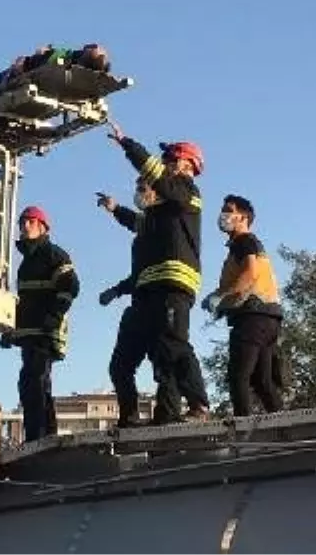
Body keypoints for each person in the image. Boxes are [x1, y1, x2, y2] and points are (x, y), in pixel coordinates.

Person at [104, 121, 210, 423]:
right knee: (125, 361)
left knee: (172, 348)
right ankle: (134, 417)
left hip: (173, 286)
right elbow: (137, 222)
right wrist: (114, 209)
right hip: (146, 293)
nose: (164, 163)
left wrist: (129, 145)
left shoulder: (188, 192)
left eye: (169, 158)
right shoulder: (157, 215)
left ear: (186, 163)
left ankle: (198, 405)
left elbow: (161, 181)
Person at [0, 206, 80, 441]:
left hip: (46, 333)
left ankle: (39, 437)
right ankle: (42, 434)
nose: (25, 226)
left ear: (43, 227)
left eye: (30, 222)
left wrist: (53, 318)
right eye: (22, 222)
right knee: (32, 385)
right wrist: (9, 331)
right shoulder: (26, 264)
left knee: (35, 382)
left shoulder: (54, 255)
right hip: (30, 335)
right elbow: (24, 304)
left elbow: (70, 286)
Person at [201, 195, 285, 417]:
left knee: (239, 376)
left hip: (253, 318)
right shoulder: (245, 245)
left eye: (229, 210)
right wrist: (224, 304)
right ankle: (286, 427)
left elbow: (251, 274)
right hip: (269, 319)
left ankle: (243, 431)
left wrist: (221, 296)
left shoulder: (244, 241)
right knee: (261, 381)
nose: (223, 215)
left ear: (243, 217)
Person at [97, 179, 157, 428]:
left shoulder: (163, 226)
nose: (139, 194)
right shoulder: (144, 232)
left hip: (159, 303)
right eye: (138, 189)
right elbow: (135, 222)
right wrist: (114, 208)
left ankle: (171, 411)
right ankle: (129, 417)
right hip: (139, 304)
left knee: (164, 363)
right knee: (120, 367)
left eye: (144, 189)